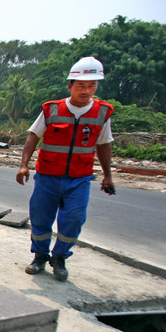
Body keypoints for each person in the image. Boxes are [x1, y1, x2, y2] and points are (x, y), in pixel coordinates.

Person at [16, 56, 116, 282]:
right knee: (40, 218)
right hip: (48, 175)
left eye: (91, 86)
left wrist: (108, 176)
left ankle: (59, 257)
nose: (86, 91)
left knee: (74, 218)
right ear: (70, 85)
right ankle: (40, 256)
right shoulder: (51, 110)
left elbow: (104, 144)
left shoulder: (102, 113)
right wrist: (24, 166)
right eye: (81, 86)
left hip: (79, 179)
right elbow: (33, 137)